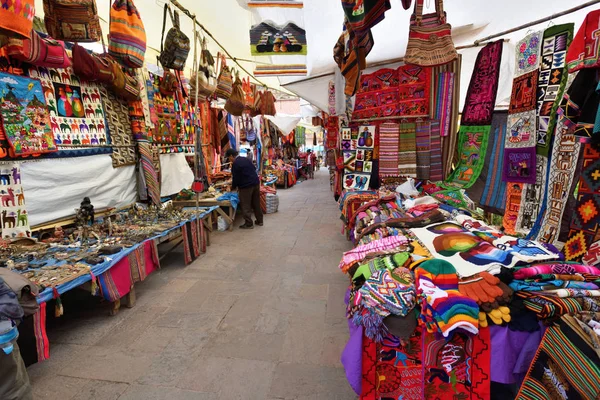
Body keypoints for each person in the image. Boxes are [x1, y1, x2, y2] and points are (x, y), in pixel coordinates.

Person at [226, 148, 263, 229]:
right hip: (255, 183)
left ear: (232, 156)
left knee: (245, 204)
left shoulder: (235, 163)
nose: (229, 160)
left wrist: (233, 187)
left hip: (246, 186)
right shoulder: (246, 159)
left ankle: (249, 223)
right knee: (256, 202)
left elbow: (236, 178)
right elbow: (253, 169)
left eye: (229, 158)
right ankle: (260, 220)